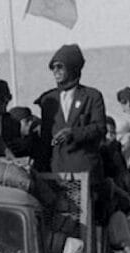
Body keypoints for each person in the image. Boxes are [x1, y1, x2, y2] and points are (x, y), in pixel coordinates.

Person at [34, 43, 106, 177]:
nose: (56, 71)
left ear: (73, 68)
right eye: (53, 67)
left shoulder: (92, 96)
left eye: (60, 66)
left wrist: (73, 133)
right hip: (57, 171)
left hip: (85, 169)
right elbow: (45, 139)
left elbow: (100, 128)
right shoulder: (48, 100)